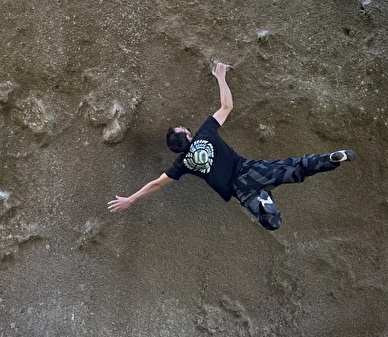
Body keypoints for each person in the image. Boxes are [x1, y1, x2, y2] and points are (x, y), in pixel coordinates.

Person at [108, 61, 355, 230]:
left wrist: (131, 199)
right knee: (294, 167)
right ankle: (328, 159)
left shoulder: (182, 164)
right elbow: (227, 106)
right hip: (248, 169)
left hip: (239, 189)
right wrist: (221, 77)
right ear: (189, 136)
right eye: (183, 128)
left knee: (271, 223)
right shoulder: (205, 133)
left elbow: (157, 184)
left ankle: (263, 204)